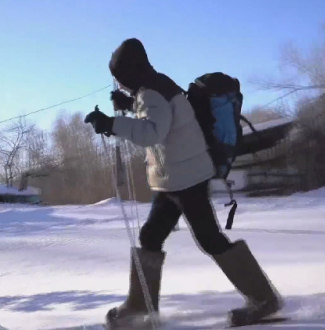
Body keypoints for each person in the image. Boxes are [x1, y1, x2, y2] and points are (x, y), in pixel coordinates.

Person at [84, 38, 283, 328]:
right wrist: (129, 105)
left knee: (209, 239)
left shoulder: (152, 91)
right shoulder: (155, 86)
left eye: (121, 79)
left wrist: (112, 124)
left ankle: (264, 299)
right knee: (151, 237)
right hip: (173, 180)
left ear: (129, 72)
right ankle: (141, 310)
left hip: (186, 180)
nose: (120, 84)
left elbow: (153, 131)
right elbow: (162, 116)